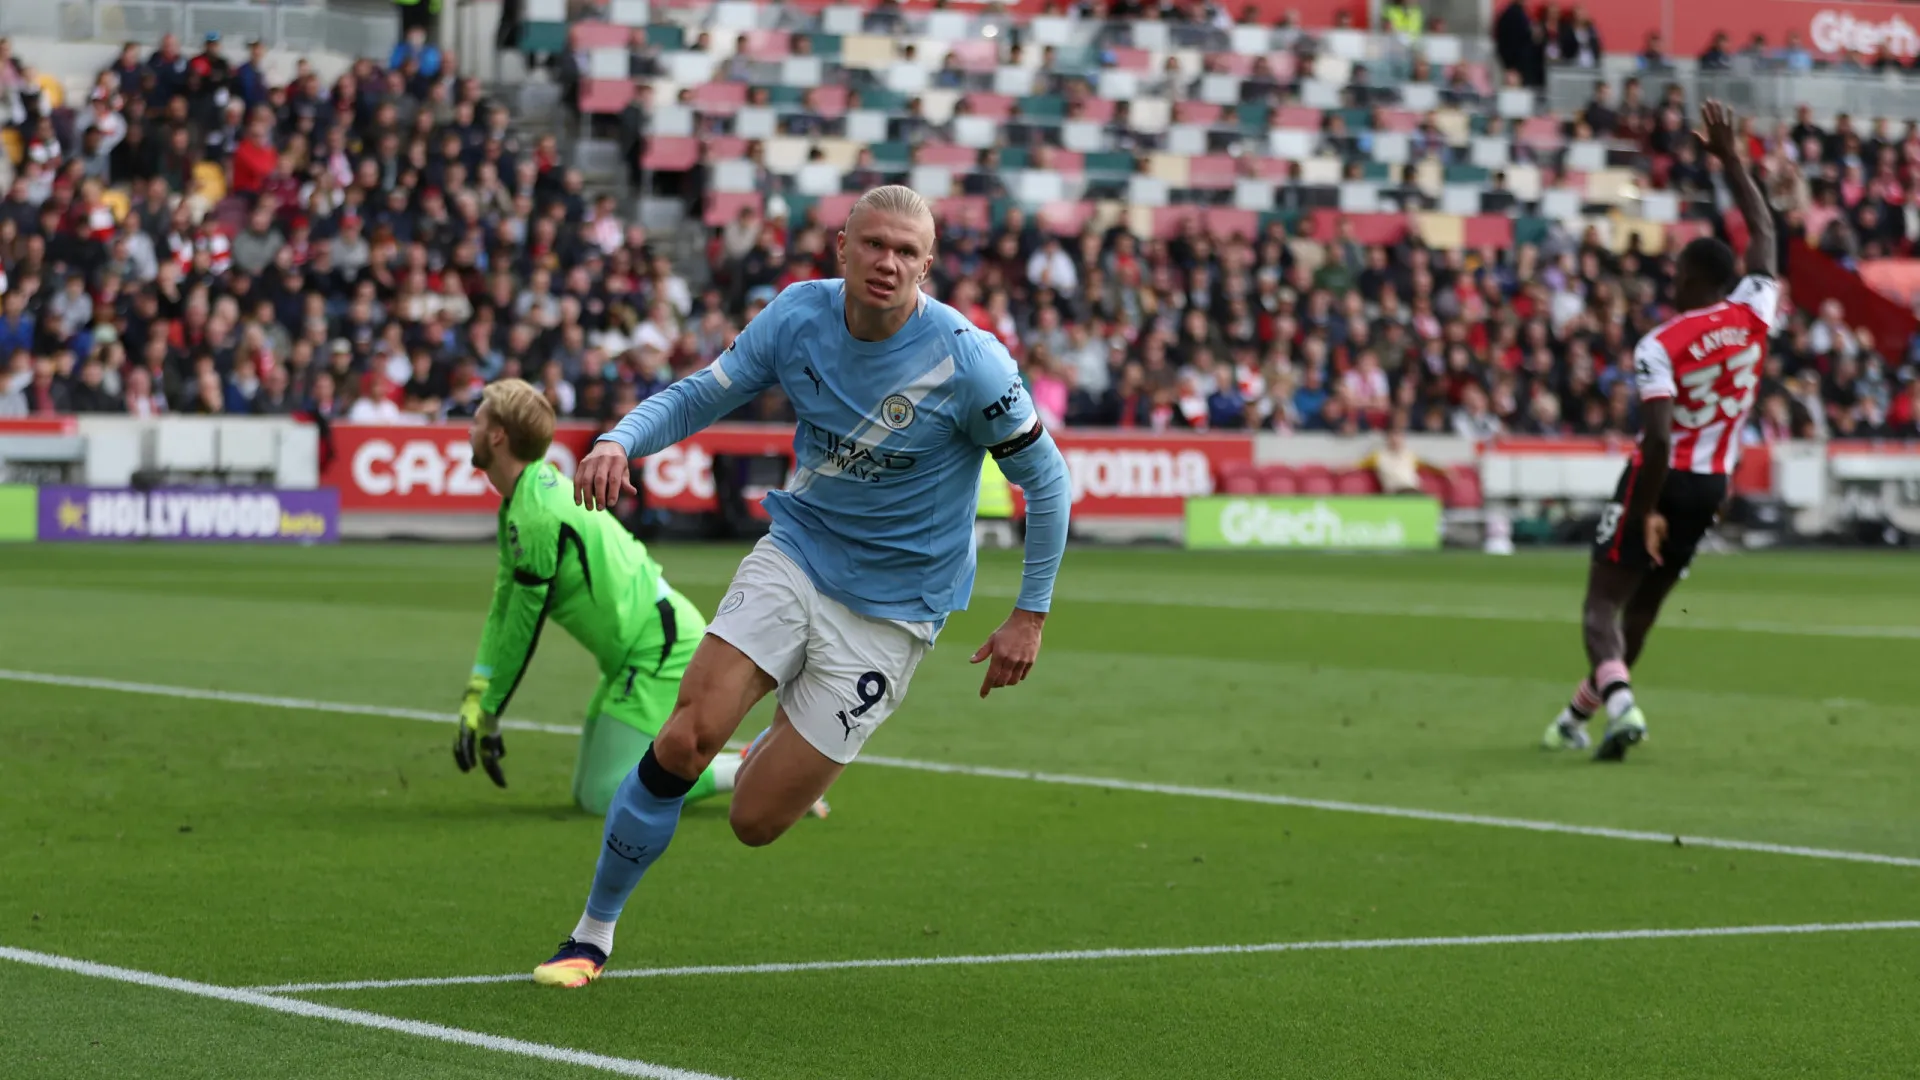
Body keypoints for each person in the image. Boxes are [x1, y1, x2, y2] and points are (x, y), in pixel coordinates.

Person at [538, 185, 1072, 989]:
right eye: (873, 245)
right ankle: (590, 935)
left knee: (754, 823)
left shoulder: (970, 361)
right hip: (798, 553)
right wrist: (620, 439)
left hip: (895, 614)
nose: (886, 262)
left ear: (927, 266)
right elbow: (702, 394)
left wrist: (1030, 613)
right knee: (684, 735)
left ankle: (756, 754)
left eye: (905, 252)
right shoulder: (797, 317)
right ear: (842, 247)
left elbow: (1049, 481)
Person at [1543, 102, 1779, 761]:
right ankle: (1574, 717)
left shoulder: (1659, 345)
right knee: (1644, 610)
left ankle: (1621, 709)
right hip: (1710, 485)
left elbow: (1655, 440)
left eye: (1679, 275)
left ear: (1698, 281)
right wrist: (1732, 160)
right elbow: (1764, 230)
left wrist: (1642, 510)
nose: (1671, 281)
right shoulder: (1757, 310)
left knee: (1599, 608)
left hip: (1661, 479)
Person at [455, 377, 753, 817]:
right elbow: (504, 607)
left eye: (477, 419)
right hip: (639, 646)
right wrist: (477, 696)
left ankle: (750, 770)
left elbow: (521, 627)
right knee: (588, 791)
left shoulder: (535, 513)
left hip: (657, 650)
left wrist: (491, 712)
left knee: (605, 794)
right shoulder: (527, 498)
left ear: (497, 435)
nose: (469, 428)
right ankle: (743, 758)